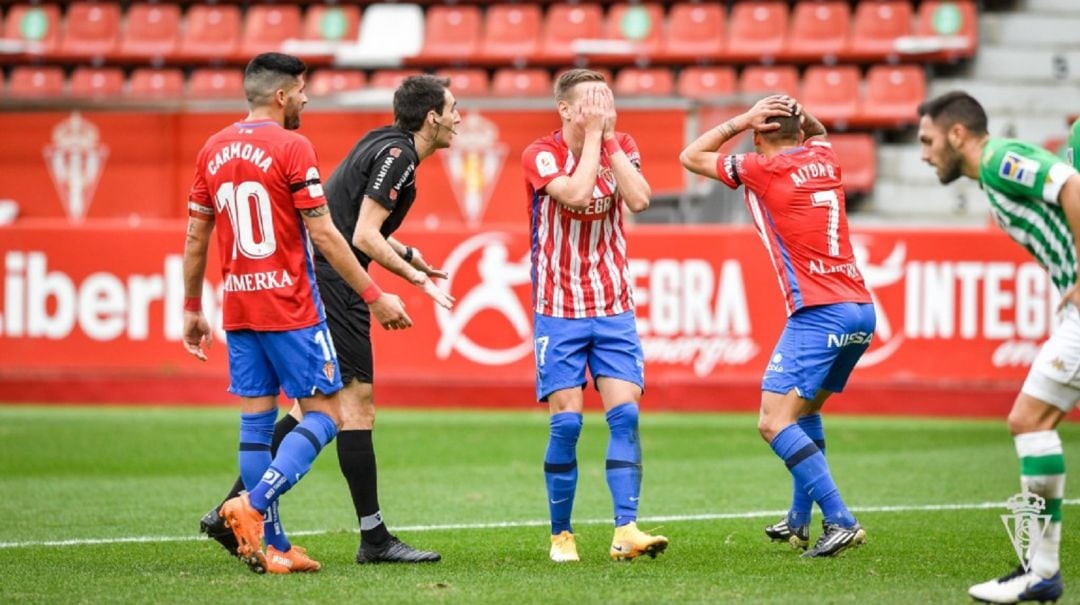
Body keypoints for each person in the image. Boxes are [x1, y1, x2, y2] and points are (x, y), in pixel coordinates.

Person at [200, 74, 457, 567]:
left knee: (311, 409)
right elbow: (361, 235)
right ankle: (371, 538)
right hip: (336, 282)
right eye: (454, 108)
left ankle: (228, 512)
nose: (460, 118)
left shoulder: (382, 142)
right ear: (432, 118)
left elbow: (350, 220)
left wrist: (409, 255)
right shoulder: (400, 156)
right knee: (352, 408)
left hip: (323, 277)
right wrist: (408, 283)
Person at [680, 95, 875, 558]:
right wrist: (800, 112)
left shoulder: (763, 169)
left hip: (819, 311)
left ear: (758, 135)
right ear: (801, 133)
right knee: (804, 414)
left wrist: (741, 119)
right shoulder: (823, 156)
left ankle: (841, 519)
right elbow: (821, 132)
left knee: (773, 422)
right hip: (861, 309)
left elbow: (690, 156)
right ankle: (797, 520)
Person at [917, 91, 1079, 604]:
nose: (924, 154)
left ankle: (1043, 571)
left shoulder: (999, 159)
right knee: (1032, 422)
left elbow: (1072, 184)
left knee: (1029, 421)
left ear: (957, 134)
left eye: (928, 140)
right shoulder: (991, 175)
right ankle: (1042, 570)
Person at [521, 68, 667, 563]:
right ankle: (561, 534)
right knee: (566, 424)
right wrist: (591, 142)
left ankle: (626, 529)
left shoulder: (620, 143)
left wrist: (609, 142)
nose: (604, 111)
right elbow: (577, 194)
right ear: (565, 110)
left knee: (624, 415)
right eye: (592, 103)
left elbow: (641, 199)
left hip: (612, 305)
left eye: (609, 101)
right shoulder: (539, 153)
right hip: (558, 307)